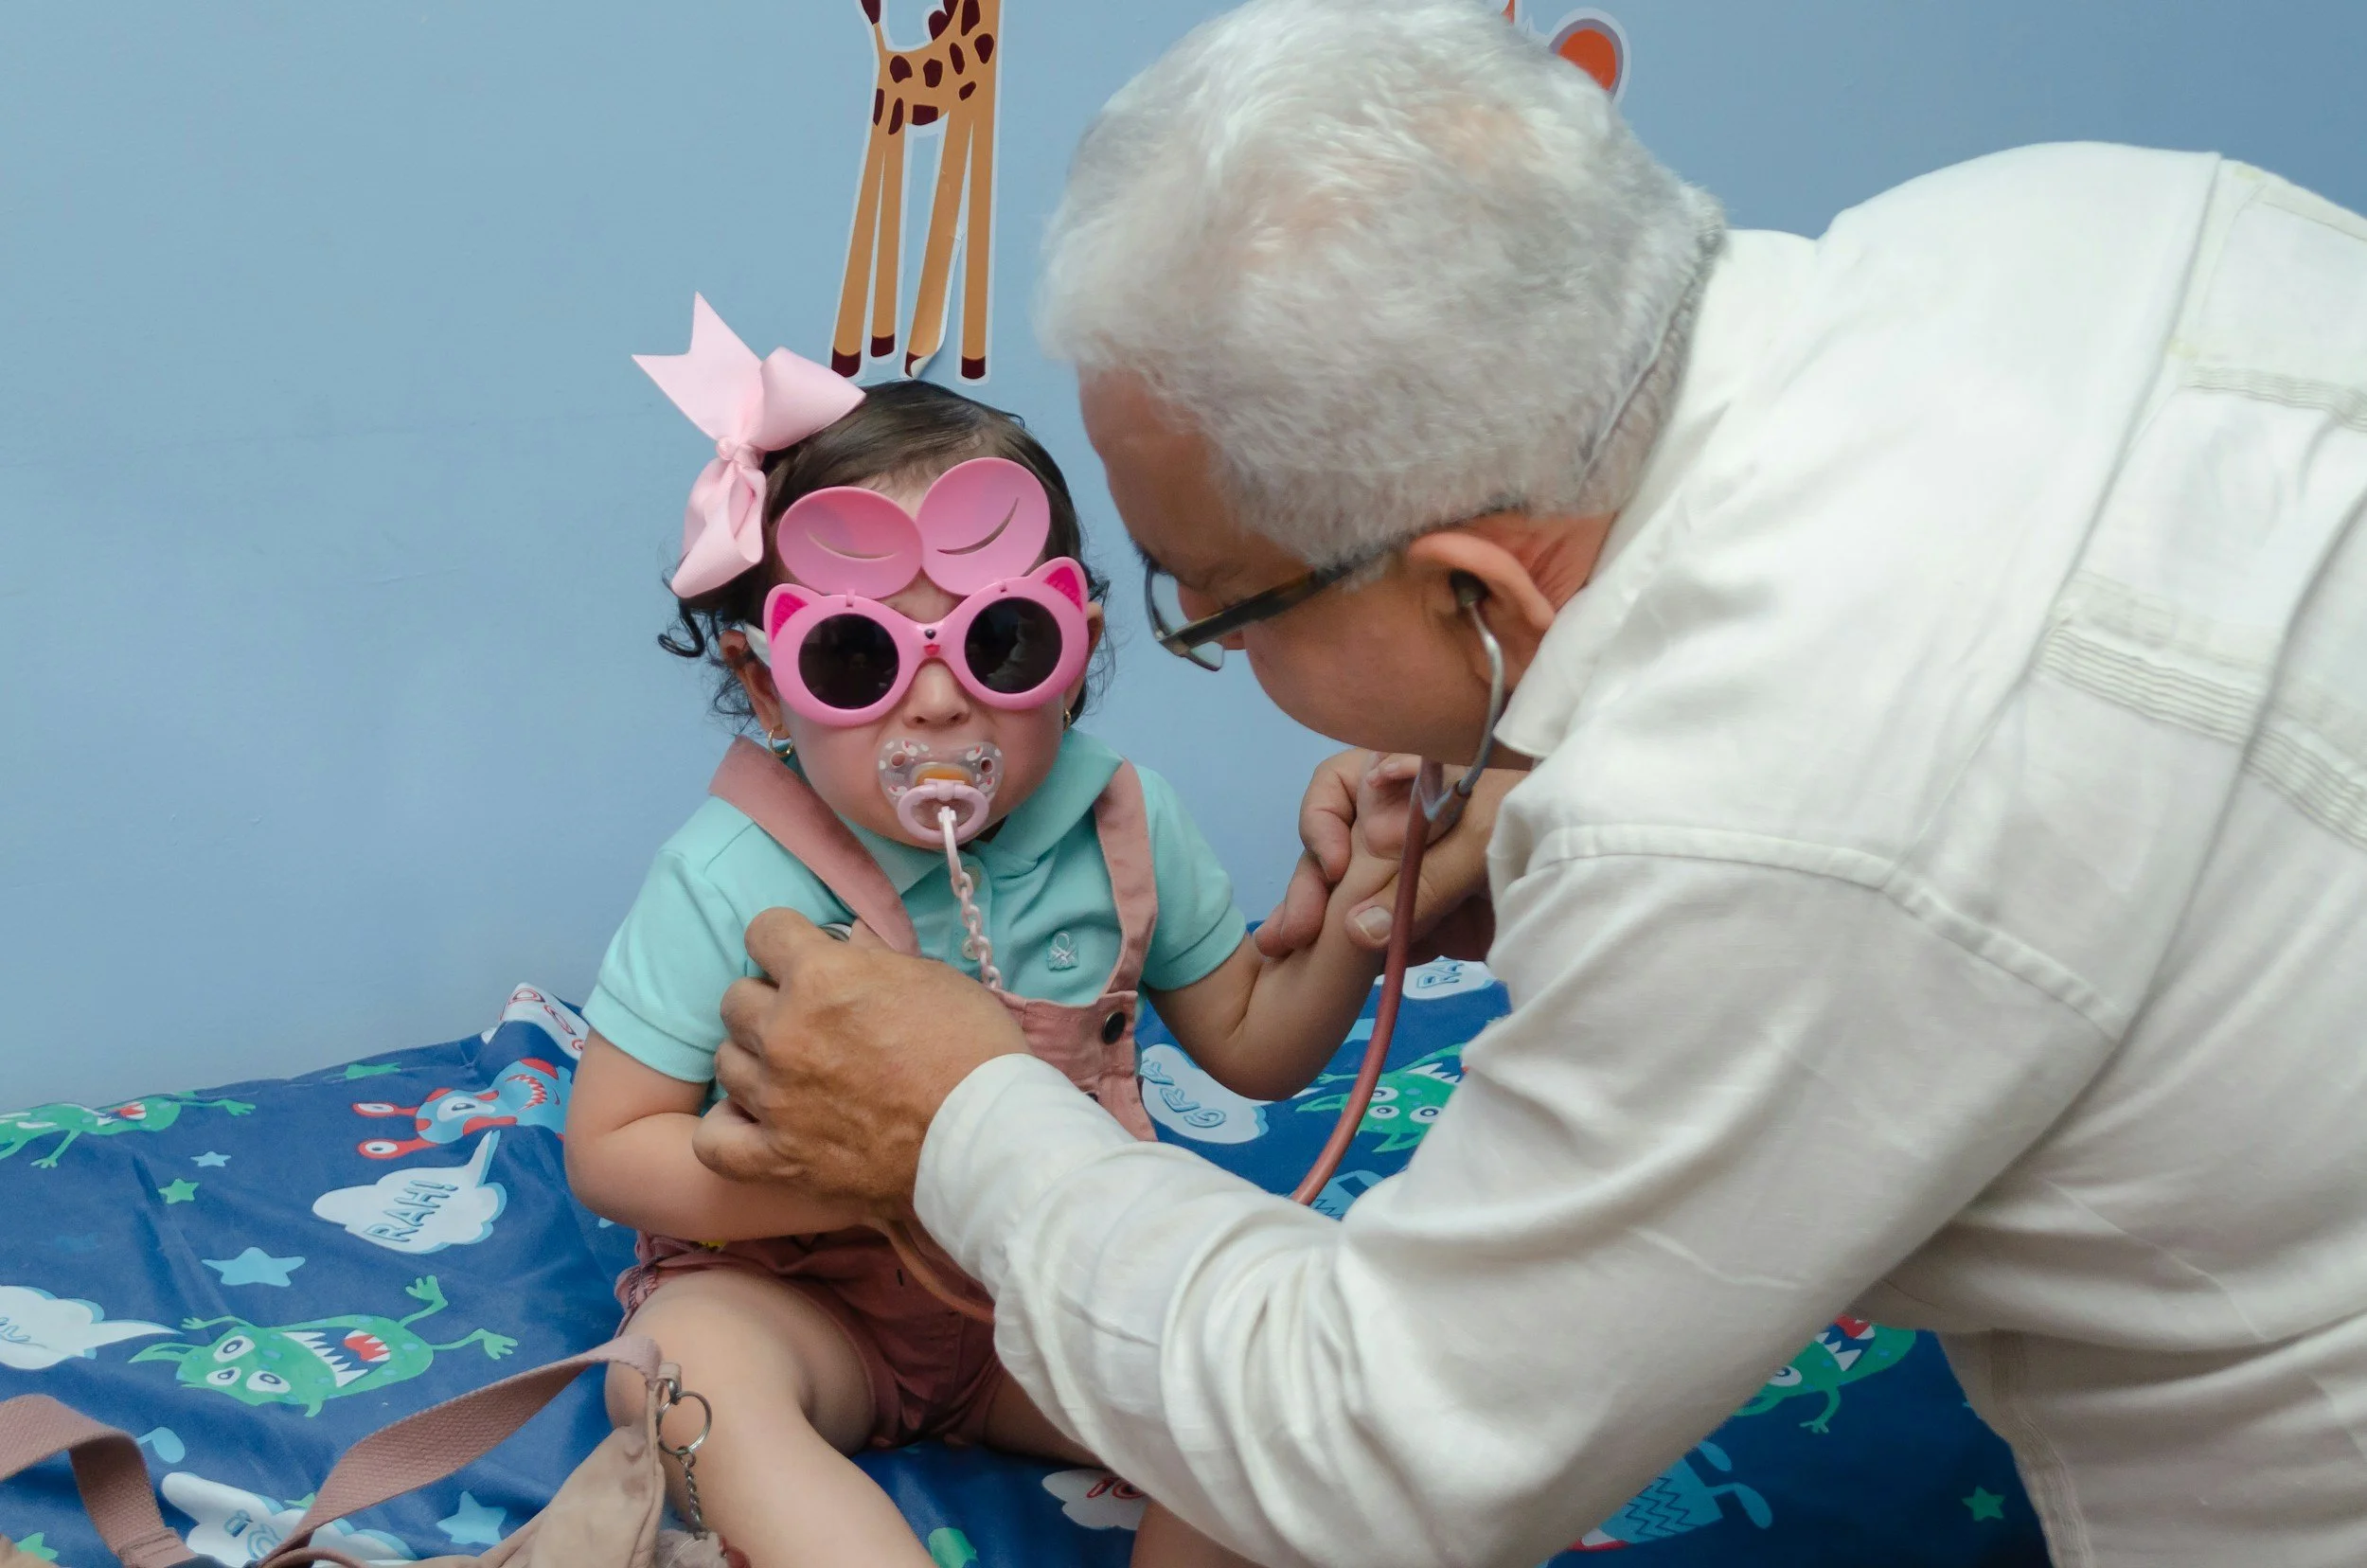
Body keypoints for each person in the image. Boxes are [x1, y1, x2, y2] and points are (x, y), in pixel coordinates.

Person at [690, 1, 2367, 1564]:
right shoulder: (2070, 217)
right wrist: (1568, 787)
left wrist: (959, 1117)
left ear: (1479, 597)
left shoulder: (1751, 824)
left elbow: (1378, 1454)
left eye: (1209, 609)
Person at [562, 298, 1395, 1568]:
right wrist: (846, 1170)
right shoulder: (732, 869)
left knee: (1270, 1367)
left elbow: (1257, 1049)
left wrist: (1359, 911)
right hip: (801, 1300)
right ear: (766, 688)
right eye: (858, 659)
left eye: (1001, 641)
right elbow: (611, 1152)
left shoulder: (1123, 820)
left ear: (1076, 653)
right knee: (682, 1378)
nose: (942, 698)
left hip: (1043, 1297)